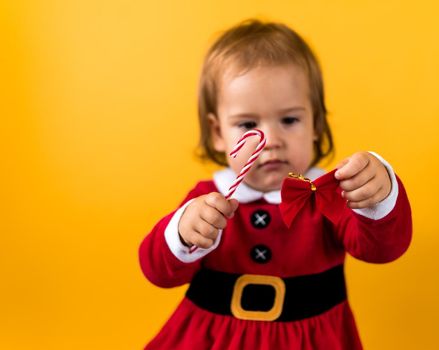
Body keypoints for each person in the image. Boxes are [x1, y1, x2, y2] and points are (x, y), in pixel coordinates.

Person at [139, 19, 412, 349]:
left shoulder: (330, 194)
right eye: (248, 123)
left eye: (289, 120)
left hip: (311, 340)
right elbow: (157, 271)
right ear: (217, 133)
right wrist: (183, 232)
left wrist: (378, 196)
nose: (270, 141)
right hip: (213, 338)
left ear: (316, 124)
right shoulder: (207, 199)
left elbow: (383, 250)